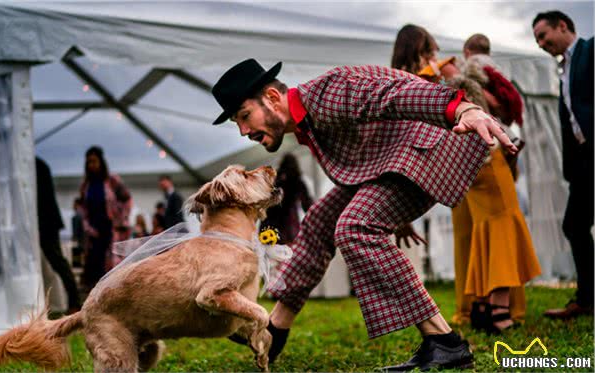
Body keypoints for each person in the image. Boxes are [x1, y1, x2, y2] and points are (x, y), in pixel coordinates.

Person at [211, 58, 518, 370]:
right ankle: (275, 329)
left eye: (244, 116)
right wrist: (397, 211)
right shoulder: (306, 121)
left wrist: (463, 109)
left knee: (355, 226)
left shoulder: (326, 94)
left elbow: (395, 94)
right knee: (320, 221)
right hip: (394, 165)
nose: (243, 130)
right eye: (238, 122)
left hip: (431, 146)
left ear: (273, 98)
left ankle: (444, 341)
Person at [392, 25, 541, 334]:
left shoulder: (400, 81)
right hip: (483, 155)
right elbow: (491, 105)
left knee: (476, 233)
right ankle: (500, 307)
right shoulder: (443, 68)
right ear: (427, 45)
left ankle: (480, 305)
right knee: (503, 223)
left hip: (456, 165)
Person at [533, 11, 594, 318]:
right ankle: (587, 299)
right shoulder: (563, 69)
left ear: (563, 26)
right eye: (537, 40)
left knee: (576, 225)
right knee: (574, 225)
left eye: (544, 36)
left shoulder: (591, 50)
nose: (541, 44)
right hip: (584, 164)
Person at [78, 146, 132, 292]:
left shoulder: (111, 180)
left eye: (95, 161)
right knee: (94, 265)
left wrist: (119, 218)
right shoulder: (85, 185)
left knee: (111, 264)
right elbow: (82, 208)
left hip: (110, 227)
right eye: (89, 162)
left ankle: (112, 294)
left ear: (101, 162)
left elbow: (127, 199)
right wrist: (87, 226)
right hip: (93, 231)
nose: (92, 165)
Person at [36, 157, 80, 313]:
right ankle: (74, 301)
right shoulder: (39, 164)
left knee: (58, 262)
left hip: (46, 222)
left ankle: (75, 301)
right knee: (58, 262)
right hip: (47, 221)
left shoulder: (36, 166)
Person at [261, 154, 313, 244]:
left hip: (270, 222)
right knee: (289, 251)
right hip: (289, 223)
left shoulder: (275, 179)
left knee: (272, 251)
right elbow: (307, 204)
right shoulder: (297, 180)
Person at [71, 197, 85, 268]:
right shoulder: (85, 215)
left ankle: (77, 266)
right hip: (84, 241)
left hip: (80, 241)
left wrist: (74, 237)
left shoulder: (76, 216)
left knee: (77, 260)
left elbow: (75, 231)